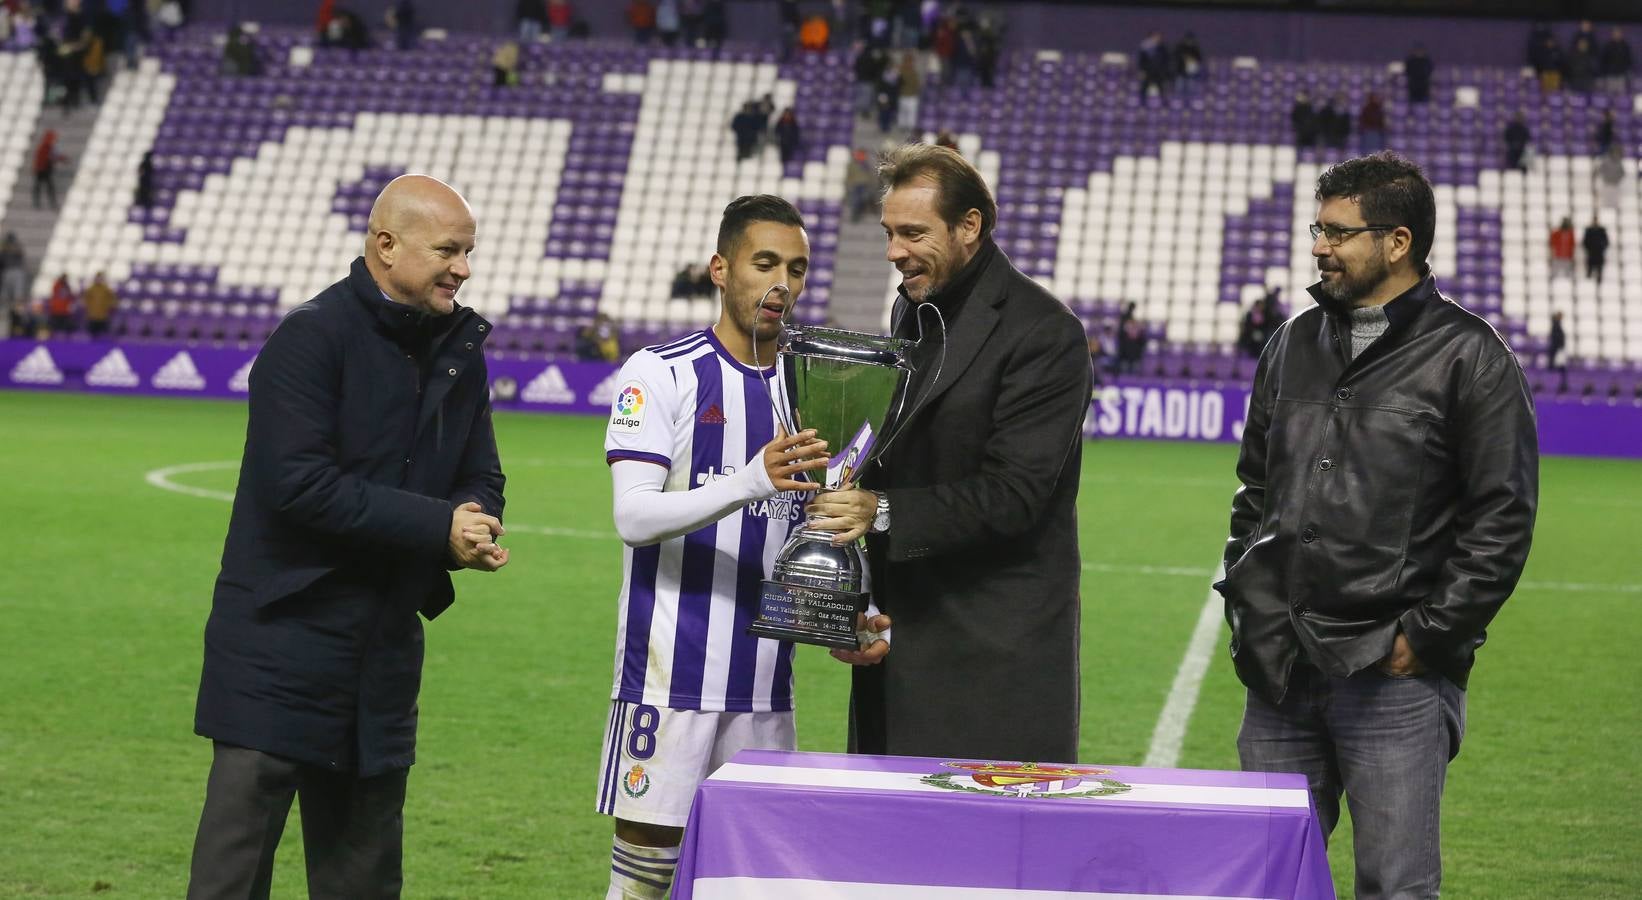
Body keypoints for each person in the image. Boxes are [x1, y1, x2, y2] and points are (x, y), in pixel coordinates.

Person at [1218, 152, 1537, 900]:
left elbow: (1502, 521)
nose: (1319, 246)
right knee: (1264, 883)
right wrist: (1250, 605)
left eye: (1338, 232)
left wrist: (1422, 638)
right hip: (1279, 665)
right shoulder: (1291, 343)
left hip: (1394, 674)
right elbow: (1254, 492)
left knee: (1394, 888)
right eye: (1317, 229)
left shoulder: (1473, 358)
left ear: (1398, 242)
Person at [186, 175, 509, 899]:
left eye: (469, 252)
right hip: (278, 643)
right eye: (449, 250)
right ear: (385, 245)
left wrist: (477, 521)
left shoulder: (460, 347)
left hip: (382, 654)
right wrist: (436, 527)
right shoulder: (309, 338)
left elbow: (480, 471)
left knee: (362, 882)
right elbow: (298, 486)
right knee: (230, 879)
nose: (464, 268)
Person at [595, 195, 890, 900]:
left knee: (753, 875)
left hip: (764, 685)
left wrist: (852, 608)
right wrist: (749, 478)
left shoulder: (807, 389)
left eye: (796, 268)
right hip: (668, 679)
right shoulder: (660, 372)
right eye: (764, 264)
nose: (781, 283)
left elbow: (808, 523)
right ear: (721, 270)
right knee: (647, 867)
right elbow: (633, 517)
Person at [805, 144, 1092, 762]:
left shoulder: (1045, 332)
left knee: (983, 853)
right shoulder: (913, 310)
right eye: (888, 233)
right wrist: (860, 598)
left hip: (993, 659)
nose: (893, 252)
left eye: (913, 233)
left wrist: (878, 511)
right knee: (884, 849)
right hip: (896, 641)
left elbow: (1015, 494)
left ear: (970, 227)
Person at [32, 130, 66, 210]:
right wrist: (62, 159)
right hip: (43, 169)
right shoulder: (46, 147)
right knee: (45, 186)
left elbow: (54, 156)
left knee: (42, 186)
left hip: (43, 169)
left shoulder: (46, 147)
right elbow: (52, 156)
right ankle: (44, 203)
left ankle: (41, 203)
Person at [83, 270, 117, 338]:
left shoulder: (106, 289)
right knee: (93, 334)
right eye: (98, 277)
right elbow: (85, 299)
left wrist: (110, 306)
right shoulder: (91, 289)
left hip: (103, 315)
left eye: (100, 278)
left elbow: (113, 299)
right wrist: (88, 308)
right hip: (92, 315)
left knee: (103, 334)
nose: (99, 279)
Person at [1600, 26, 1633, 93]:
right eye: (1615, 33)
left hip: (1621, 75)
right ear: (1612, 34)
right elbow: (1604, 60)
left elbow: (1628, 59)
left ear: (1621, 34)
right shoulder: (1608, 45)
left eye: (1618, 33)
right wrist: (1605, 70)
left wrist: (1625, 69)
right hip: (1610, 74)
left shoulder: (1625, 45)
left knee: (1621, 96)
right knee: (1609, 95)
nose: (1617, 34)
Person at [1595, 143, 1625, 210]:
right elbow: (1600, 170)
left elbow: (1622, 173)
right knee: (1606, 202)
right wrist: (1606, 177)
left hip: (1615, 184)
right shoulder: (1605, 160)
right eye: (1614, 152)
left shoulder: (1619, 162)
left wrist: (1616, 179)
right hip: (1607, 184)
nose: (1616, 153)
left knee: (1615, 202)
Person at [1582, 217, 1609, 283]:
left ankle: (1599, 280)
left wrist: (1602, 247)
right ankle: (1588, 281)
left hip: (1599, 252)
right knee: (1590, 267)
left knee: (1599, 268)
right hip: (1591, 252)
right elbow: (1585, 241)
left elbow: (1606, 241)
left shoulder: (1601, 230)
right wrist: (1588, 248)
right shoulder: (1589, 230)